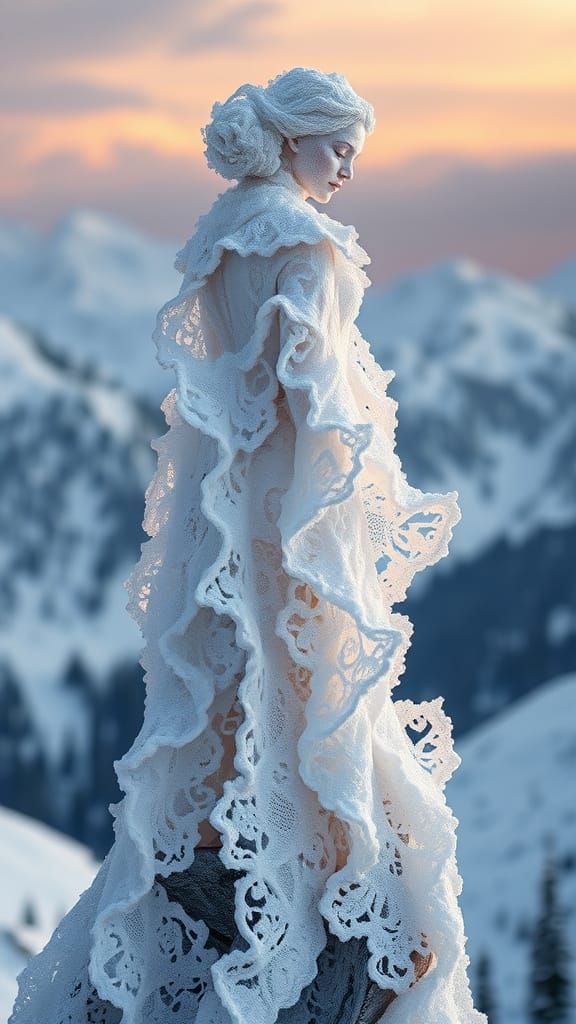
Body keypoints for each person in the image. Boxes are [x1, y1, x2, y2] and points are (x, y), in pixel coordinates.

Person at [9, 68, 486, 1024]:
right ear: (292, 140)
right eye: (336, 147)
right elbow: (314, 388)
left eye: (354, 152)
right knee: (302, 649)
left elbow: (214, 380)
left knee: (236, 649)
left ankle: (241, 797)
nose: (345, 168)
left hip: (224, 493)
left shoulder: (221, 236)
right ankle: (305, 827)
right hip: (290, 490)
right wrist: (353, 469)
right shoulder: (306, 243)